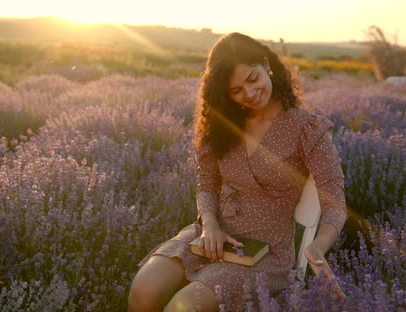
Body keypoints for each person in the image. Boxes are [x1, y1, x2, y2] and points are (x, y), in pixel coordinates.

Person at [128, 32, 347, 311]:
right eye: (236, 90)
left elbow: (334, 199)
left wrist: (318, 246)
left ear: (266, 64)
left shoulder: (306, 128)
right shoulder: (224, 123)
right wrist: (210, 225)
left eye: (253, 78)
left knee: (182, 306)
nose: (249, 93)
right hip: (211, 236)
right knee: (144, 287)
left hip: (264, 251)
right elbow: (207, 181)